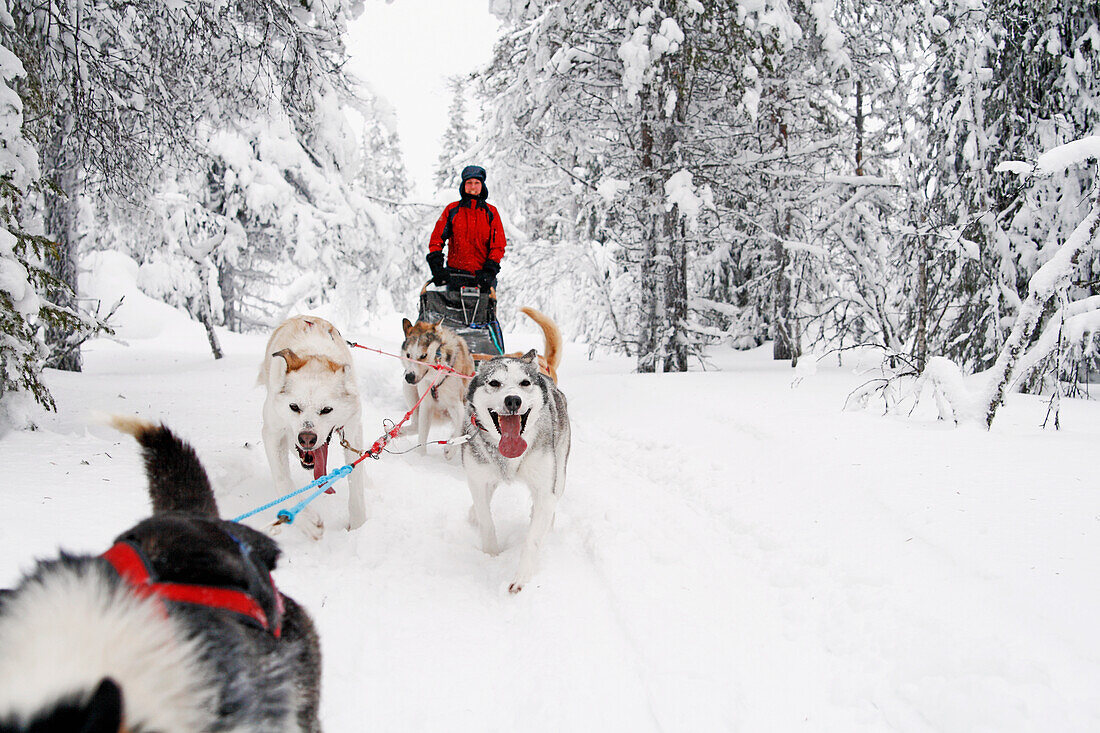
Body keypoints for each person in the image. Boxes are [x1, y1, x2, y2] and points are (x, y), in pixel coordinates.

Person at [426, 165, 507, 292]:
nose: (473, 187)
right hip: (455, 276)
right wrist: (437, 266)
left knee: (482, 311)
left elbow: (498, 245)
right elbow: (437, 239)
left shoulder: (491, 213)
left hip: (482, 277)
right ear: (464, 185)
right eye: (469, 183)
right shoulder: (452, 210)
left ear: (482, 185)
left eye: (476, 183)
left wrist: (490, 269)